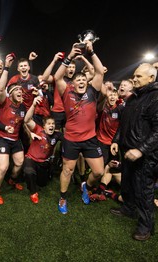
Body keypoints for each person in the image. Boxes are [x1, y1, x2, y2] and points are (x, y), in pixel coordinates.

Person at [110, 63, 158, 241]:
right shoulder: (133, 97)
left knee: (144, 191)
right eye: (134, 76)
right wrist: (116, 140)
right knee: (127, 183)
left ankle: (146, 226)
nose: (134, 79)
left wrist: (141, 149)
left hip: (144, 155)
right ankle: (128, 208)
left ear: (151, 78)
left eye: (138, 76)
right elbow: (124, 123)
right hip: (127, 150)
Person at [53, 40, 105, 214]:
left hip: (90, 139)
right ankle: (63, 197)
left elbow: (99, 71)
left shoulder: (92, 91)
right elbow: (57, 77)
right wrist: (69, 56)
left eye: (84, 79)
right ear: (73, 84)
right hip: (71, 139)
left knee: (98, 172)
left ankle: (86, 186)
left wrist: (91, 52)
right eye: (78, 80)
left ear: (87, 82)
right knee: (67, 170)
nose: (81, 81)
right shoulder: (66, 91)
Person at [0, 54, 26, 205]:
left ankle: (12, 180)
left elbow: (25, 122)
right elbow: (0, 89)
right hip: (2, 138)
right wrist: (6, 66)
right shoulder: (4, 102)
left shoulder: (23, 106)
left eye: (21, 90)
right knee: (3, 167)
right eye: (17, 90)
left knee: (19, 163)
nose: (20, 92)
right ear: (10, 93)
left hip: (15, 140)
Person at [23, 95, 63, 203]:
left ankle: (39, 176)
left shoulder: (57, 135)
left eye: (53, 124)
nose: (51, 126)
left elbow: (68, 140)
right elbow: (26, 120)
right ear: (44, 126)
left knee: (42, 183)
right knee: (29, 171)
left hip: (44, 162)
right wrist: (33, 105)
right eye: (49, 124)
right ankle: (33, 192)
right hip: (31, 159)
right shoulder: (38, 129)